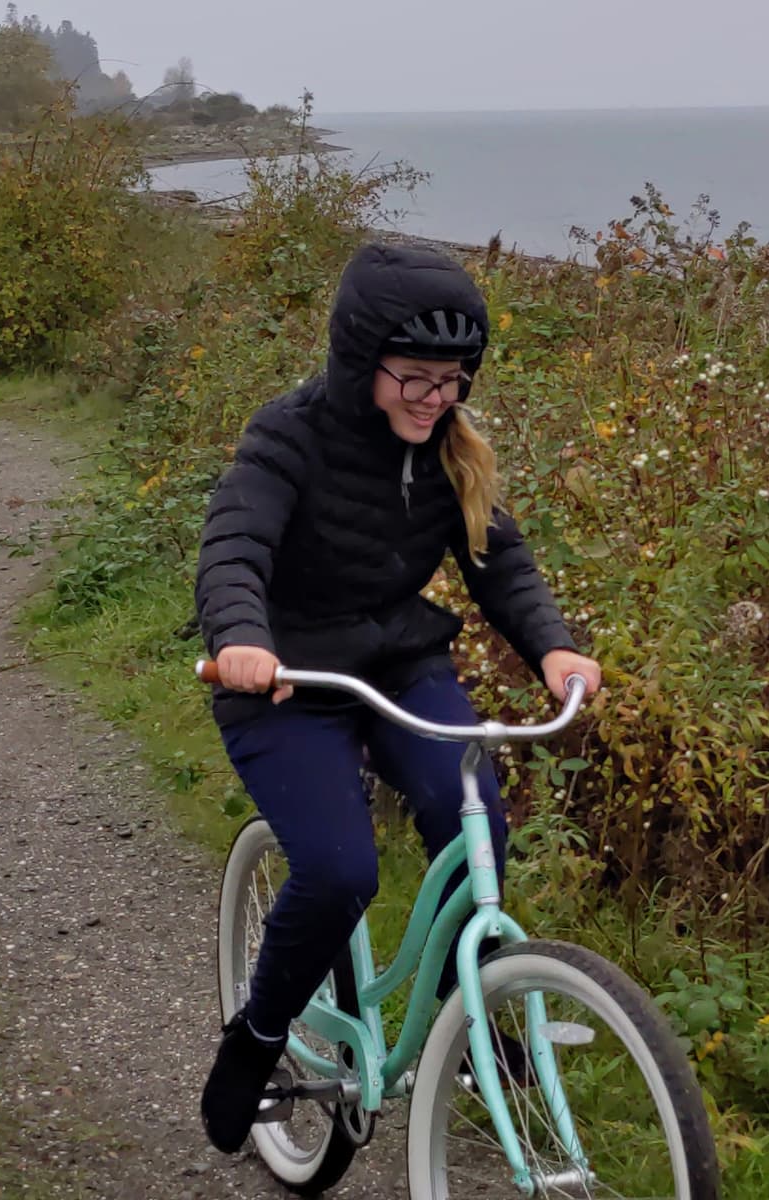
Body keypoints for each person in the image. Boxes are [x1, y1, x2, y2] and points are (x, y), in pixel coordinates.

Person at [194, 241, 602, 1154]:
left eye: (452, 379)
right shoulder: (288, 436)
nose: (434, 397)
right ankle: (257, 1039)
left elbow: (502, 565)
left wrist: (557, 649)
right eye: (413, 377)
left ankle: (473, 1019)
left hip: (397, 663)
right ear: (358, 363)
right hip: (290, 678)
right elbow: (235, 544)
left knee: (475, 829)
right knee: (340, 872)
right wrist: (243, 640)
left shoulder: (452, 450)